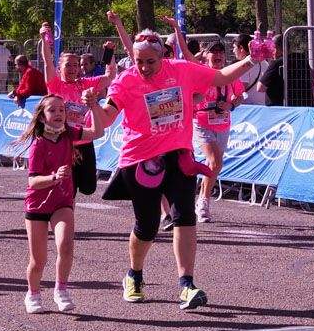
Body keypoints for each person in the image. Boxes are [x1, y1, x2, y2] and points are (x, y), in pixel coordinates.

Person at [90, 26, 274, 309]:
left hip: (179, 155)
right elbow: (104, 121)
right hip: (140, 160)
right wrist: (93, 105)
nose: (144, 67)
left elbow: (222, 76)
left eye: (150, 62)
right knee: (147, 225)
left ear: (162, 56)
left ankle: (187, 284)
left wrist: (252, 60)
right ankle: (134, 274)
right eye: (139, 62)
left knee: (184, 216)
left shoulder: (181, 70)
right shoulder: (126, 81)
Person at [21, 92, 102, 314]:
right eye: (52, 110)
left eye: (62, 110)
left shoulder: (69, 134)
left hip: (62, 201)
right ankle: (33, 293)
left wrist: (94, 105)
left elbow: (98, 131)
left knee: (65, 246)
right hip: (37, 204)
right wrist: (54, 177)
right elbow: (33, 181)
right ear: (42, 116)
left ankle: (61, 289)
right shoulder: (37, 145)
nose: (58, 114)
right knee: (38, 260)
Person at [40, 22, 113, 197]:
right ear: (60, 68)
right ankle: (65, 218)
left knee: (88, 188)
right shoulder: (55, 84)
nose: (73, 69)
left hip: (85, 141)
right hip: (64, 142)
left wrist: (109, 54)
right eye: (68, 66)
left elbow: (110, 77)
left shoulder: (85, 84)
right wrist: (44, 39)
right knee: (68, 190)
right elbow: (47, 62)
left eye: (75, 65)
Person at [193, 41, 245, 223]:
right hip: (202, 122)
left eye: (221, 52)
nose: (218, 56)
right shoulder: (199, 73)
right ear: (206, 55)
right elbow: (189, 96)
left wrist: (230, 105)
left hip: (223, 123)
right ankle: (203, 203)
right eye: (213, 52)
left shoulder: (231, 75)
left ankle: (202, 196)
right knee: (215, 161)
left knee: (215, 165)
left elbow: (239, 97)